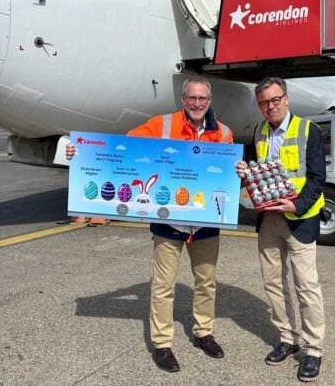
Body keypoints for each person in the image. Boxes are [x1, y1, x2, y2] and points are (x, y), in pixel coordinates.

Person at [66, 75, 232, 373]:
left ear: (209, 101)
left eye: (202, 99)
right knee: (163, 286)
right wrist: (80, 153)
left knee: (206, 283)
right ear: (183, 100)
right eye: (192, 98)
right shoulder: (161, 125)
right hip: (168, 225)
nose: (197, 104)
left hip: (205, 225)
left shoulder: (224, 133)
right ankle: (162, 343)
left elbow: (227, 175)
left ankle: (204, 333)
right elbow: (120, 148)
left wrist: (240, 171)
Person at [235, 76, 326, 382]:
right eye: (264, 102)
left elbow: (317, 178)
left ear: (286, 99)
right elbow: (256, 170)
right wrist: (244, 170)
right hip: (269, 218)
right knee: (273, 283)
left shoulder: (308, 130)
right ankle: (288, 339)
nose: (270, 107)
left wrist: (297, 206)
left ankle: (313, 350)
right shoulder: (260, 131)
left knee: (306, 285)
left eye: (275, 100)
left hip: (300, 218)